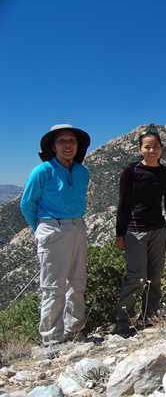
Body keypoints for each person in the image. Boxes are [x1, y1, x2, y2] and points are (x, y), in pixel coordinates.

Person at [20, 124, 91, 355]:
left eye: (72, 140)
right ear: (53, 146)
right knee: (53, 286)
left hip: (78, 226)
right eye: (62, 141)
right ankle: (51, 339)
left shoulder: (83, 172)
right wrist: (41, 228)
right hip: (52, 228)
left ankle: (75, 331)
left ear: (78, 145)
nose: (67, 145)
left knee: (78, 282)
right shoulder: (42, 171)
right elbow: (27, 204)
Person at [113, 128, 166, 337]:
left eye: (156, 146)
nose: (152, 150)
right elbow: (123, 202)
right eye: (147, 147)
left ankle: (149, 317)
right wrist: (120, 233)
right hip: (135, 231)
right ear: (140, 149)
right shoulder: (131, 170)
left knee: (156, 277)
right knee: (136, 277)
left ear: (161, 148)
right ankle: (123, 320)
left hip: (159, 230)